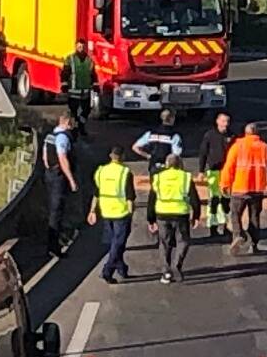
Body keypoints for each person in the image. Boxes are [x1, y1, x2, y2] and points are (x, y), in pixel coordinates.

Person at [219, 121, 267, 255]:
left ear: (246, 133)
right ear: (257, 133)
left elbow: (229, 167)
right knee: (254, 217)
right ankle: (254, 244)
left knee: (235, 214)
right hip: (257, 188)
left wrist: (224, 184)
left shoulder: (237, 147)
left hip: (240, 187)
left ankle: (238, 235)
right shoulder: (264, 147)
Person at [145, 151, 199, 284]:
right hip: (181, 214)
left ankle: (166, 270)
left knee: (164, 243)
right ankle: (176, 266)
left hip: (162, 214)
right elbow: (194, 198)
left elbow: (152, 199)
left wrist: (150, 219)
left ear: (167, 164)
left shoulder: (158, 177)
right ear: (180, 164)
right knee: (183, 241)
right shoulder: (185, 177)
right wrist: (196, 215)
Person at [86, 145, 136, 284]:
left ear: (110, 156)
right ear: (123, 157)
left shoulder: (101, 171)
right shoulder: (125, 172)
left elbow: (96, 193)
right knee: (118, 242)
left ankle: (121, 268)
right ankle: (107, 271)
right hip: (121, 212)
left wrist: (92, 211)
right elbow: (130, 196)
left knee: (115, 242)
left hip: (105, 211)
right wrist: (131, 213)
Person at [44, 111, 78, 257]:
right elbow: (63, 159)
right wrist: (71, 180)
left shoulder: (50, 136)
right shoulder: (63, 138)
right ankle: (54, 246)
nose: (72, 126)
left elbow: (45, 156)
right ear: (67, 122)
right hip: (59, 177)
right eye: (71, 123)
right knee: (57, 212)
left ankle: (55, 242)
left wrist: (49, 169)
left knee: (52, 209)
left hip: (50, 174)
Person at [197, 110, 234, 240]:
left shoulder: (232, 136)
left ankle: (224, 226)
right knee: (214, 199)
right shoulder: (210, 135)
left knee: (226, 200)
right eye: (223, 121)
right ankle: (212, 226)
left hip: (227, 173)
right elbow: (203, 153)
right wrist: (201, 171)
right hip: (213, 171)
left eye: (227, 122)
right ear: (217, 121)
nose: (226, 124)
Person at [63, 40, 96, 124]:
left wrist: (95, 84)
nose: (81, 49)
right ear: (76, 47)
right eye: (79, 47)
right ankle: (75, 128)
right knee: (73, 112)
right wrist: (64, 84)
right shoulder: (70, 59)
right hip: (73, 91)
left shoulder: (89, 60)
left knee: (86, 111)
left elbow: (93, 74)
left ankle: (81, 124)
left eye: (82, 47)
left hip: (85, 92)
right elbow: (65, 72)